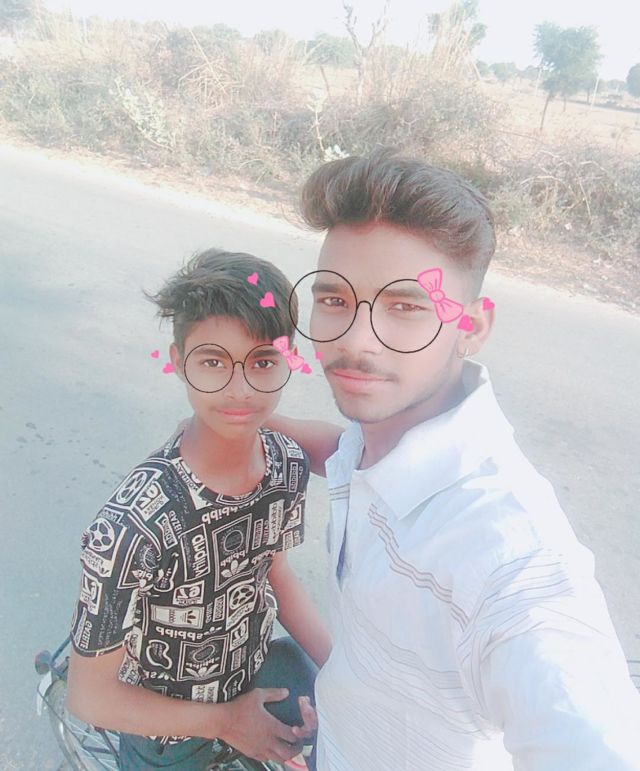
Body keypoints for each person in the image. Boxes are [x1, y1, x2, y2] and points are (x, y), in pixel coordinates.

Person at [266, 148, 640, 770]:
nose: (356, 339)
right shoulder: (381, 440)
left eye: (406, 307)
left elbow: (590, 734)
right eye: (333, 299)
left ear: (471, 327)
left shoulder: (506, 559)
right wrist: (237, 424)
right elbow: (344, 452)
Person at [66, 248, 330, 770]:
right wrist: (227, 721)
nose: (240, 388)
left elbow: (274, 570)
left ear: (289, 360)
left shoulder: (284, 463)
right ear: (179, 361)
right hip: (167, 731)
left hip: (255, 672)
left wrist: (344, 677)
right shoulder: (133, 526)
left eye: (262, 361)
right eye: (213, 362)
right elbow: (89, 697)